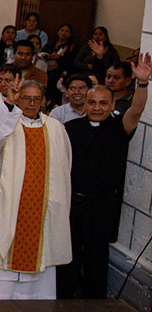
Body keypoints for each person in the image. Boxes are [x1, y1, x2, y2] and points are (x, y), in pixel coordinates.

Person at [59, 54, 151, 299]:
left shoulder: (120, 127)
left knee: (96, 258)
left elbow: (138, 108)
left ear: (112, 106)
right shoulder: (70, 129)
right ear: (84, 103)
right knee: (68, 257)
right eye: (92, 103)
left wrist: (142, 84)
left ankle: (94, 302)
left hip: (102, 206)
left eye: (102, 104)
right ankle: (63, 301)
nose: (97, 108)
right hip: (72, 203)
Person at [0, 78, 73, 301]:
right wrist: (8, 106)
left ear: (44, 102)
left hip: (42, 206)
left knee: (42, 256)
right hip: (10, 203)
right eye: (25, 98)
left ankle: (37, 299)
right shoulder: (8, 123)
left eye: (36, 99)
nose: (31, 103)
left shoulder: (55, 128)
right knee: (4, 251)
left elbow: (64, 166)